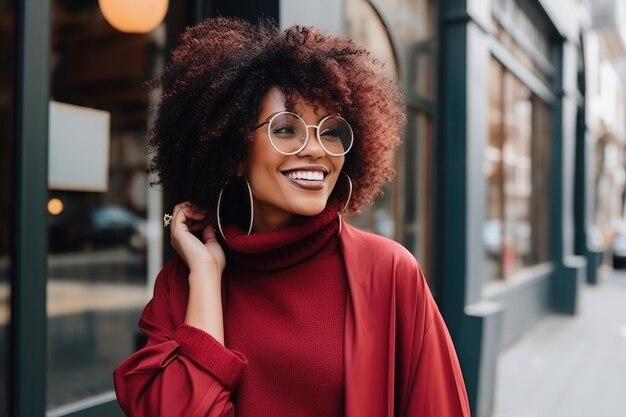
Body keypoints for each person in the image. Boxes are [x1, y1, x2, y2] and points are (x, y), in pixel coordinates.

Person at [113, 16, 471, 417]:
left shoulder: (387, 272)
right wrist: (207, 278)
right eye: (287, 129)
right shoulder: (185, 281)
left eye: (331, 131)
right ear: (233, 150)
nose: (316, 149)